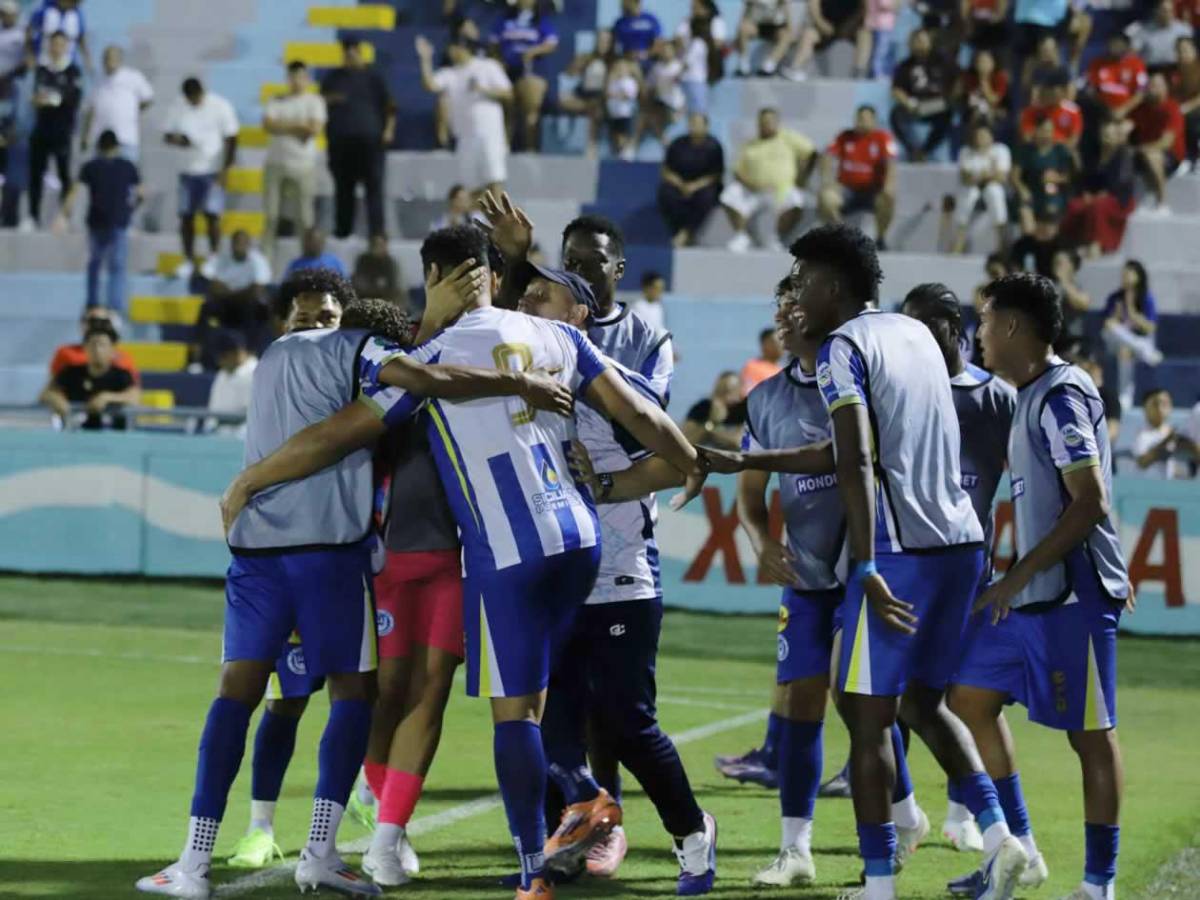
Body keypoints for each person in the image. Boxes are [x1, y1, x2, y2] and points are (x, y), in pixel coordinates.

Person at [218, 224, 707, 900]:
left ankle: (542, 861)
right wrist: (689, 461)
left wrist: (251, 479)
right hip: (580, 538)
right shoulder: (557, 336)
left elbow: (336, 434)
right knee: (552, 693)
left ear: (435, 274)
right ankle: (589, 799)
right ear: (497, 276)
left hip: (508, 551)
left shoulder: (432, 362)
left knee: (516, 716)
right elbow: (637, 410)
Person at [139, 253, 582, 900]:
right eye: (310, 313)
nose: (318, 321)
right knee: (351, 695)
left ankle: (195, 862)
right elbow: (426, 377)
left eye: (326, 312)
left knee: (241, 696)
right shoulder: (359, 352)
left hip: (257, 554)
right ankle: (317, 850)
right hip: (330, 558)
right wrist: (517, 383)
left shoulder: (271, 360)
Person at [692, 224, 1028, 900]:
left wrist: (868, 564)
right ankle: (1002, 840)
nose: (796, 298)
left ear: (834, 287)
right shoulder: (913, 334)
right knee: (925, 707)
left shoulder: (844, 348)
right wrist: (747, 457)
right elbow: (858, 449)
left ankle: (877, 885)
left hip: (902, 555)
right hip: (962, 545)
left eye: (805, 282)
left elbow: (855, 459)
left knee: (869, 720)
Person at [511, 264, 715, 892]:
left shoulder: (608, 386)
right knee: (554, 724)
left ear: (578, 314)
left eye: (543, 294)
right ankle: (553, 857)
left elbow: (674, 458)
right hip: (557, 578)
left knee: (627, 724)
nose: (527, 301)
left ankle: (692, 834)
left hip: (622, 576)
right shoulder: (514, 382)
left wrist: (599, 485)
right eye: (526, 292)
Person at [949, 272, 1130, 900]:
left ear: (1013, 327)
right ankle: (1018, 850)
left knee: (1091, 737)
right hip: (1035, 594)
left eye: (984, 320)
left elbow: (1091, 502)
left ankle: (1098, 884)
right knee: (966, 695)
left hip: (1070, 595)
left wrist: (1015, 576)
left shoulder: (1060, 394)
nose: (977, 334)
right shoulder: (1029, 394)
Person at [897, 284, 1034, 871]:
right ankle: (901, 812)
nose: (917, 340)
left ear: (954, 328)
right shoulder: (904, 392)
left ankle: (962, 812)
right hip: (911, 565)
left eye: (927, 326)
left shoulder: (997, 399)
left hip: (970, 566)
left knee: (960, 694)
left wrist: (1018, 569)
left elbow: (1030, 481)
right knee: (898, 695)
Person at [53, 129, 142, 312]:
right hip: (118, 219)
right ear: (117, 146)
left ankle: (93, 301)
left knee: (95, 263)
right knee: (116, 264)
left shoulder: (91, 166)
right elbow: (140, 193)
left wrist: (63, 215)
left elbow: (74, 191)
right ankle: (114, 305)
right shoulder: (127, 166)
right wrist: (131, 209)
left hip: (97, 219)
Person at [416, 33, 512, 197]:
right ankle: (478, 221)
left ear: (463, 48)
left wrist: (482, 90)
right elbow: (430, 85)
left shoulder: (487, 66)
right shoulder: (449, 73)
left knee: (494, 178)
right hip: (465, 136)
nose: (450, 52)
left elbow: (508, 93)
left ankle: (498, 221)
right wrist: (425, 59)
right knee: (470, 184)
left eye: (453, 48)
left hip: (490, 134)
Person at [163, 77, 239, 279]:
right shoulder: (178, 106)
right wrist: (179, 140)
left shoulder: (219, 106)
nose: (193, 102)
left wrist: (226, 169)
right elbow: (167, 134)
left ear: (202, 92)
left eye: (196, 98)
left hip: (212, 170)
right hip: (187, 170)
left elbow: (231, 138)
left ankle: (213, 258)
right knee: (186, 216)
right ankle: (188, 259)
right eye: (190, 99)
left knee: (212, 215)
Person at [321, 38, 395, 240]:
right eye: (347, 50)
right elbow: (321, 105)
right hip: (341, 144)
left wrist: (388, 130)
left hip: (371, 143)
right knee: (344, 189)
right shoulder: (333, 78)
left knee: (374, 188)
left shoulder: (374, 78)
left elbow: (389, 107)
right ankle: (343, 231)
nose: (350, 54)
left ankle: (376, 233)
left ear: (360, 52)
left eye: (354, 50)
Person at [720, 107, 815, 253]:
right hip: (752, 190)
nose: (767, 124)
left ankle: (775, 237)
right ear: (758, 124)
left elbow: (812, 153)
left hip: (781, 190)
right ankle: (742, 236)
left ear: (778, 123)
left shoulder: (788, 138)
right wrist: (748, 184)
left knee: (796, 200)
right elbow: (737, 171)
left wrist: (802, 177)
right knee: (729, 195)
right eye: (763, 122)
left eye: (770, 121)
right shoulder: (750, 144)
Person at [262, 61, 326, 265]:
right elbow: (268, 125)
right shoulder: (276, 100)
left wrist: (283, 126)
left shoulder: (315, 101)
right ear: (287, 79)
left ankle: (306, 266)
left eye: (301, 77)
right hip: (275, 164)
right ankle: (264, 266)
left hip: (303, 165)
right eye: (292, 77)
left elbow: (314, 129)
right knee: (271, 217)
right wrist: (299, 125)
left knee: (305, 220)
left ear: (307, 79)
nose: (296, 81)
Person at [818, 104, 898, 250]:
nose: (862, 122)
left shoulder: (882, 138)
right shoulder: (845, 136)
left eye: (866, 119)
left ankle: (880, 238)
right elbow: (826, 155)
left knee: (889, 197)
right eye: (859, 118)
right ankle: (843, 236)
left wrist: (888, 186)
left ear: (874, 121)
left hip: (873, 191)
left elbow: (891, 162)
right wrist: (827, 180)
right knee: (826, 197)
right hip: (847, 190)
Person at [192, 230, 272, 369]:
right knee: (206, 307)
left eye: (243, 243)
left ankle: (252, 355)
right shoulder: (220, 259)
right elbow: (211, 284)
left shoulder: (258, 261)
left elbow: (257, 290)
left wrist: (228, 291)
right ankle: (196, 359)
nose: (239, 246)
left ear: (249, 245)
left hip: (246, 304)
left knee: (261, 308)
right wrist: (237, 292)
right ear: (231, 244)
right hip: (224, 304)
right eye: (237, 243)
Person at [40, 321, 140, 431]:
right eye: (93, 344)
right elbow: (46, 393)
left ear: (112, 350)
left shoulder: (121, 375)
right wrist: (56, 399)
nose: (97, 350)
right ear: (85, 348)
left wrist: (107, 397)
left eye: (102, 345)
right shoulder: (71, 373)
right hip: (75, 435)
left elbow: (134, 397)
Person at [28, 30, 82, 227]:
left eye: (61, 44)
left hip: (62, 130)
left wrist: (53, 99)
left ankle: (65, 217)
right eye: (54, 44)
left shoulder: (72, 71)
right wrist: (38, 100)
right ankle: (33, 216)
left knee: (64, 174)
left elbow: (72, 99)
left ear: (66, 46)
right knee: (35, 173)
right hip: (42, 129)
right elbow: (34, 95)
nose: (56, 48)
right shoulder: (42, 70)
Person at [1061, 117, 1136, 256]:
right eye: (1104, 134)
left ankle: (1097, 244)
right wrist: (1085, 193)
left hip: (1118, 198)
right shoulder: (1093, 154)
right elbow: (1084, 178)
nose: (1107, 138)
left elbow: (1121, 184)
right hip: (1094, 195)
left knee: (1098, 206)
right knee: (1074, 206)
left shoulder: (1124, 155)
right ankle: (1071, 243)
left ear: (1118, 137)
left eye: (1111, 135)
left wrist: (1099, 195)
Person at [490, 0, 558, 151]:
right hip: (507, 69)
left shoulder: (541, 20)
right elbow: (494, 44)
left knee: (531, 107)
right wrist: (498, 62)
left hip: (532, 69)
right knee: (505, 108)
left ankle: (530, 148)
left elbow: (551, 43)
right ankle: (502, 148)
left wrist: (533, 52)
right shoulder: (505, 19)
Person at [889, 28, 957, 162]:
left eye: (922, 40)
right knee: (896, 114)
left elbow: (958, 81)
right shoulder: (904, 66)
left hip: (938, 106)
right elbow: (896, 89)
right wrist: (907, 102)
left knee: (948, 113)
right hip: (915, 106)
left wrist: (951, 97)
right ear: (910, 44)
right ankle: (912, 150)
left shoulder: (943, 61)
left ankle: (926, 151)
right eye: (916, 41)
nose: (919, 44)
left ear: (930, 42)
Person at [658, 112, 725, 247]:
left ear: (706, 126)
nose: (693, 126)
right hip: (679, 184)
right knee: (666, 193)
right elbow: (666, 170)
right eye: (691, 123)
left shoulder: (714, 146)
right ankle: (678, 230)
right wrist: (680, 184)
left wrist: (694, 186)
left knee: (707, 197)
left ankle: (687, 233)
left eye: (697, 124)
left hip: (703, 185)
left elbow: (717, 174)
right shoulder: (678, 143)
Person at [1102, 259, 1163, 407]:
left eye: (1129, 273)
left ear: (1138, 276)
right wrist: (1117, 316)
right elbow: (1108, 325)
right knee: (1111, 330)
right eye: (1123, 273)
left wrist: (1132, 312)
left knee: (1126, 350)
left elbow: (1151, 328)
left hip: (1137, 341)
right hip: (1119, 343)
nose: (1125, 276)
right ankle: (1144, 351)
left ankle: (1125, 398)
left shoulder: (1146, 298)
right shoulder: (1115, 297)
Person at [80, 46, 153, 160]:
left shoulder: (133, 77)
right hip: (101, 140)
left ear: (120, 59)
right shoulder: (98, 81)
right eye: (107, 58)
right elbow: (90, 110)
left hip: (126, 139)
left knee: (126, 174)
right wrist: (85, 136)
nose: (110, 61)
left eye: (114, 58)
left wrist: (131, 111)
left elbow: (148, 99)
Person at [1130, 72, 1185, 214]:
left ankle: (1163, 203)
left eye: (1157, 85)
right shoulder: (1141, 108)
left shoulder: (1172, 108)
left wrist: (1142, 149)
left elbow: (1166, 142)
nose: (1152, 88)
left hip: (1171, 156)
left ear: (1166, 88)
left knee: (1152, 155)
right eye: (1150, 85)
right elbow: (1125, 124)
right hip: (1143, 152)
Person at [952, 121, 1011, 254]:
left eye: (984, 135)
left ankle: (1003, 246)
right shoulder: (966, 151)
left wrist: (981, 176)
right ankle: (958, 245)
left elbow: (1001, 176)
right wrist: (988, 174)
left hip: (994, 186)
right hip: (972, 187)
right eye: (978, 136)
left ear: (991, 136)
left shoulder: (1001, 150)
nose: (981, 139)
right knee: (968, 194)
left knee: (994, 192)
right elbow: (965, 177)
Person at [1012, 116, 1074, 235]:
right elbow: (1015, 176)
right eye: (1043, 130)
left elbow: (1068, 176)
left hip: (1052, 191)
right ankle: (1030, 242)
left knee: (1052, 206)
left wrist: (1056, 178)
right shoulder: (1025, 150)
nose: (1047, 134)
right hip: (1030, 192)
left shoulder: (1060, 150)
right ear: (1035, 131)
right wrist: (1022, 189)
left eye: (1049, 131)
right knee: (1025, 211)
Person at [558, 28, 612, 157]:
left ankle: (592, 144)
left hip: (603, 99)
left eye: (606, 41)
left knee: (595, 108)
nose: (602, 44)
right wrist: (577, 64)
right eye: (600, 40)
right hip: (584, 96)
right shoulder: (585, 58)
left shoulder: (614, 61)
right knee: (564, 100)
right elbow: (569, 75)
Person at [675, 0, 728, 115]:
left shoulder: (699, 42)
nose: (693, 11)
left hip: (701, 74)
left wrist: (678, 74)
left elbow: (718, 44)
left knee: (698, 110)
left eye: (696, 7)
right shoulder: (688, 23)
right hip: (694, 76)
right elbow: (678, 42)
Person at [791, 0, 866, 79]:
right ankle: (795, 68)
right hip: (825, 27)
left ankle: (858, 72)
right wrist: (822, 24)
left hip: (849, 27)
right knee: (809, 34)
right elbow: (813, 8)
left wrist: (849, 26)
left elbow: (863, 9)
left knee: (864, 34)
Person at [1084, 32, 1147, 122]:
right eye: (1113, 43)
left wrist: (1124, 109)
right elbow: (1091, 91)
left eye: (1119, 44)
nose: (1115, 47)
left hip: (1129, 114)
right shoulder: (1097, 64)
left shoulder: (1136, 64)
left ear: (1126, 46)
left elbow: (1141, 93)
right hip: (1102, 112)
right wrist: (1106, 109)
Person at [204, 330, 257, 437]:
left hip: (244, 438)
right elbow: (212, 411)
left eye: (222, 356)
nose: (219, 361)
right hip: (218, 437)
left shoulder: (258, 374)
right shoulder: (222, 374)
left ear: (237, 352)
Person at [1133, 388, 1191, 478]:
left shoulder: (1178, 435)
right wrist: (1166, 442)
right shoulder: (1141, 435)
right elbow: (1142, 462)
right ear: (1145, 407)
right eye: (1155, 404)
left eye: (1165, 403)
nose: (1160, 408)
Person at [683, 371, 747, 450]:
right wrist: (712, 420)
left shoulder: (743, 412)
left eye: (729, 391)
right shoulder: (703, 407)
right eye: (720, 391)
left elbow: (738, 443)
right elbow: (686, 439)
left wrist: (711, 429)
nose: (724, 397)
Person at [1019, 72, 1082, 150]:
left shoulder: (1073, 111)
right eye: (1045, 89)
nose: (1047, 93)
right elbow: (1027, 138)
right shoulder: (1032, 111)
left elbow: (1073, 141)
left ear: (1063, 91)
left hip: (1061, 154)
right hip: (1037, 153)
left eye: (1051, 89)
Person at [1128, 0, 1192, 73]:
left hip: (1177, 70)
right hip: (1151, 71)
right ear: (1156, 11)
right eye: (1164, 11)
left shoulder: (1184, 30)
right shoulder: (1143, 31)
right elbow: (1132, 55)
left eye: (1170, 10)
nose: (1168, 14)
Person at [736, 0, 796, 77]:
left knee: (787, 35)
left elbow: (786, 9)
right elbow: (746, 12)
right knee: (743, 29)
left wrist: (790, 29)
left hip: (776, 26)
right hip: (758, 26)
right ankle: (743, 65)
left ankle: (769, 66)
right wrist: (738, 33)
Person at [27, 0, 89, 70]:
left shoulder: (77, 14)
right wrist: (30, 54)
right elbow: (29, 32)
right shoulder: (44, 10)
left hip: (68, 64)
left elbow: (81, 38)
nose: (77, 5)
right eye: (74, 2)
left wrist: (87, 60)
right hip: (43, 61)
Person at [959, 49, 1009, 133]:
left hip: (996, 110)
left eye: (986, 61)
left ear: (993, 63)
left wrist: (984, 80)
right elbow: (969, 100)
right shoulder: (969, 77)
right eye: (980, 61)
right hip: (974, 110)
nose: (982, 65)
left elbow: (993, 100)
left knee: (992, 115)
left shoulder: (1000, 77)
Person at [604, 56, 641, 159]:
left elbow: (628, 95)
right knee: (616, 134)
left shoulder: (630, 82)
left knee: (625, 134)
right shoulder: (612, 82)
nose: (620, 70)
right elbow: (608, 94)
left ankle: (626, 152)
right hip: (614, 114)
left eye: (622, 68)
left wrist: (617, 94)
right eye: (617, 68)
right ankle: (618, 152)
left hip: (626, 113)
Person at [352, 232, 402, 305]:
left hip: (385, 302)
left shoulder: (390, 263)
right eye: (376, 245)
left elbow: (391, 288)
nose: (379, 248)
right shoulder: (363, 261)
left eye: (382, 245)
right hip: (364, 301)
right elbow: (359, 284)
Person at [1173, 36, 1200, 166]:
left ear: (1194, 50)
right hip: (1181, 108)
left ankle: (1194, 157)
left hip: (1194, 108)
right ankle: (1179, 158)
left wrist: (1184, 108)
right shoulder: (1174, 70)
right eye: (1179, 50)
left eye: (1185, 49)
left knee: (1191, 120)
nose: (1182, 53)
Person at [612, 0, 662, 68]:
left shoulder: (651, 19)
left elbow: (658, 42)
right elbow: (614, 45)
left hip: (649, 61)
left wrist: (646, 54)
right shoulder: (620, 23)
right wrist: (628, 56)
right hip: (627, 61)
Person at [858, 0, 900, 78]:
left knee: (880, 52)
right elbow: (885, 4)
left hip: (880, 24)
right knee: (881, 52)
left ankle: (877, 74)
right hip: (882, 25)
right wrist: (897, 4)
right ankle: (877, 74)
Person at [741, 327, 784, 394]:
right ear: (765, 344)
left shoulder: (782, 371)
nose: (781, 346)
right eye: (777, 342)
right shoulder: (753, 367)